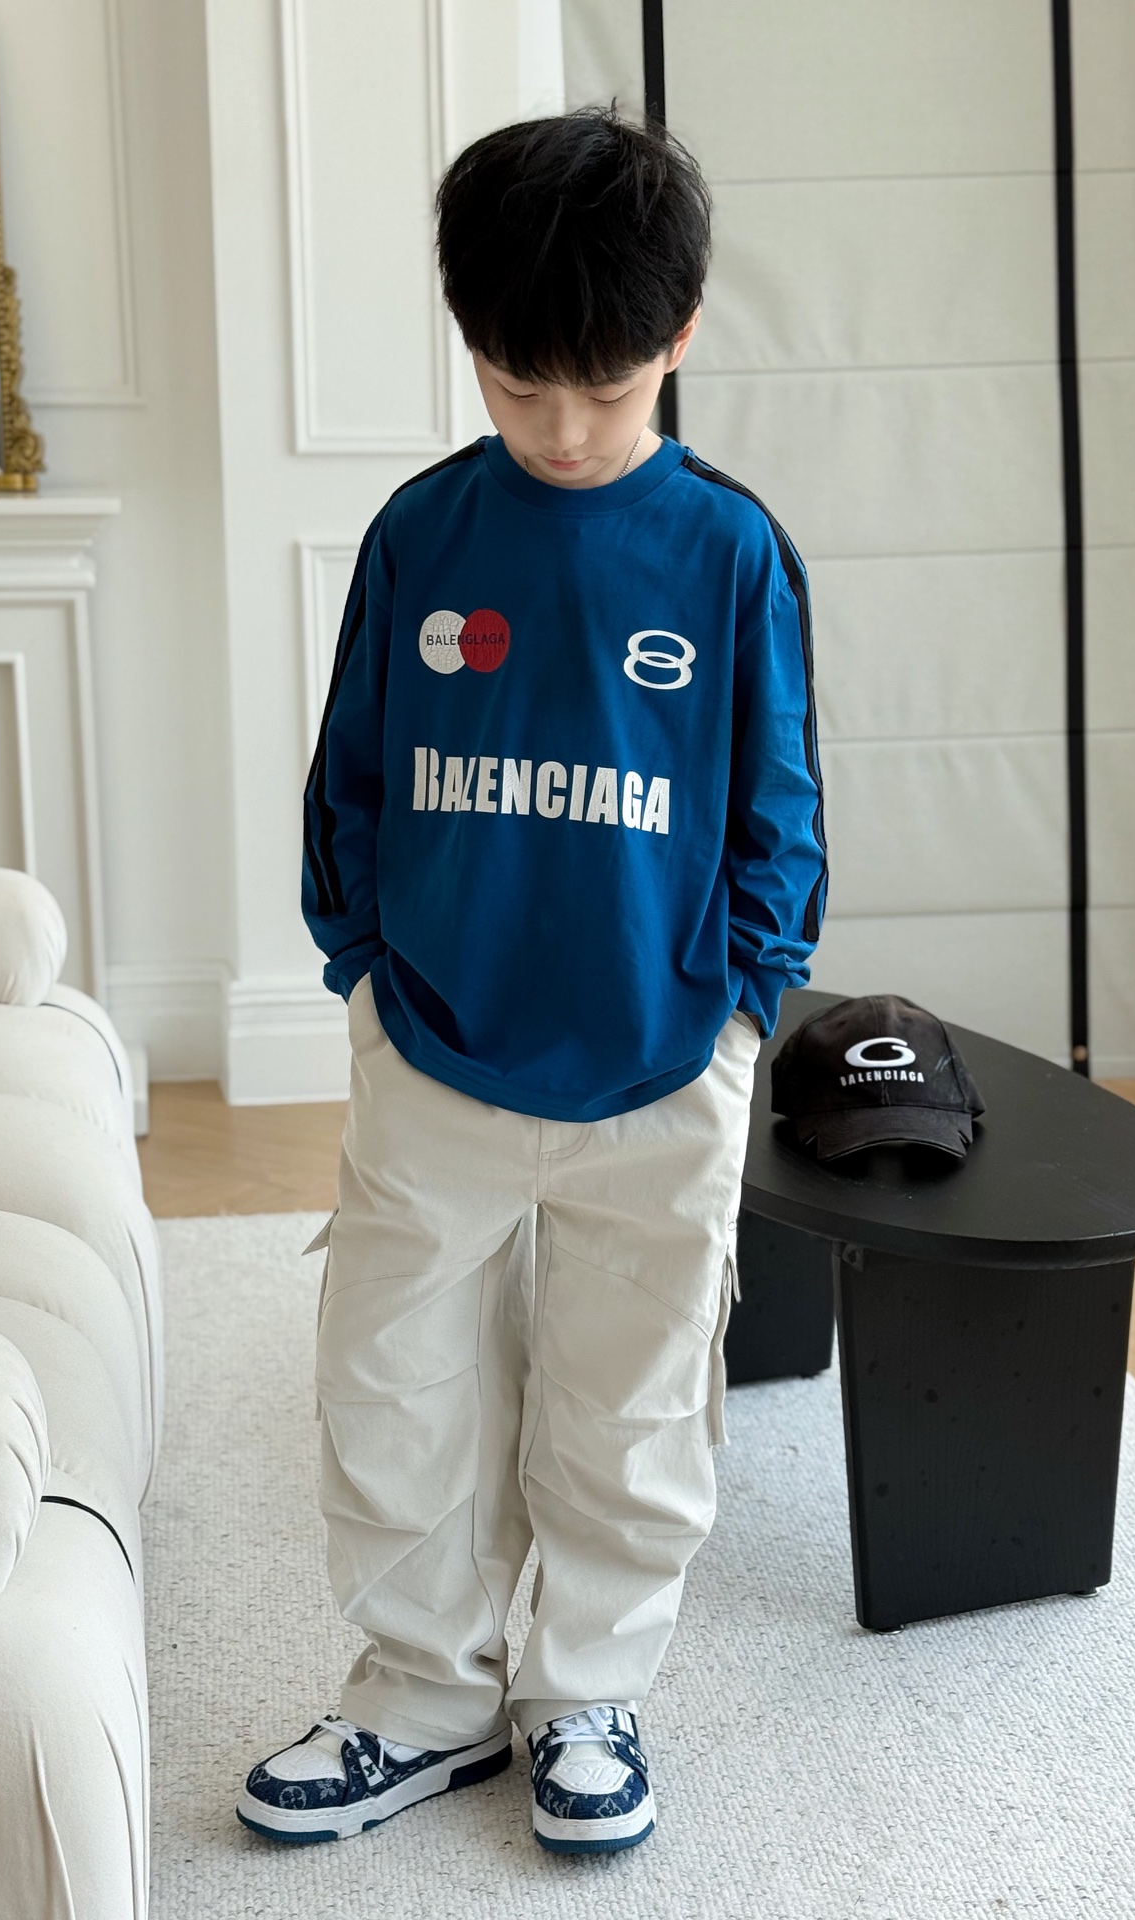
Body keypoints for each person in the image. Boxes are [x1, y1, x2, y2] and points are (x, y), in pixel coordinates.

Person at [237, 105, 827, 1858]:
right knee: (393, 1385)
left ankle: (586, 1696)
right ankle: (423, 1695)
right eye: (516, 387)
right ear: (471, 346)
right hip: (434, 1046)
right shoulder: (423, 534)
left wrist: (741, 1007)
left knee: (628, 1403)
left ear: (682, 337)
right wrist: (361, 965)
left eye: (607, 391)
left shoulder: (729, 553)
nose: (563, 432)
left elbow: (778, 803)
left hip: (662, 1059)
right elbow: (350, 772)